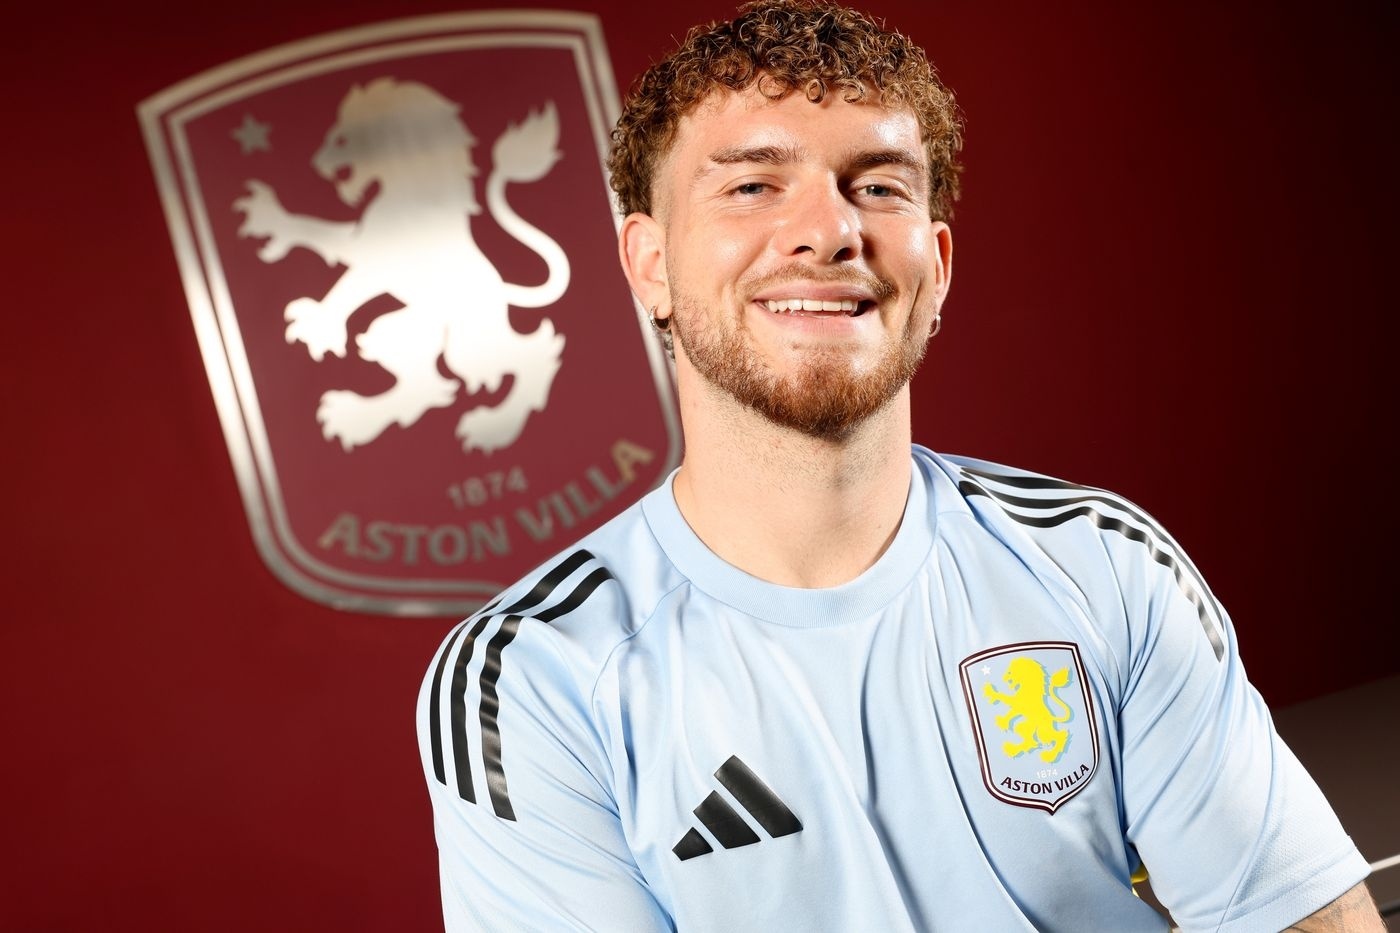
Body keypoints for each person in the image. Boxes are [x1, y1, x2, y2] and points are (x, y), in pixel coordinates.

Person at [417, 2, 1382, 929]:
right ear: (650, 263)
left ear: (939, 265)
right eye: (752, 186)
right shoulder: (532, 678)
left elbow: (1298, 920)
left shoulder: (1103, 564)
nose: (830, 230)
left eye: (878, 186)